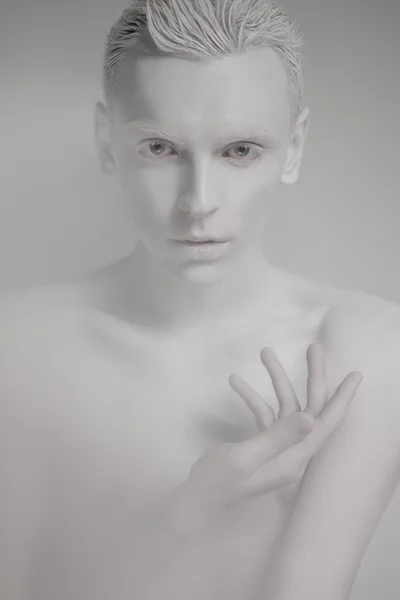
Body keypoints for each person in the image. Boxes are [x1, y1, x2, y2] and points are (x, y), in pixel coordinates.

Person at [1, 1, 400, 599]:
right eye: (160, 148)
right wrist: (185, 515)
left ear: (293, 149)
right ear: (107, 142)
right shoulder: (20, 343)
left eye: (240, 150)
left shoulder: (365, 347)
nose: (199, 202)